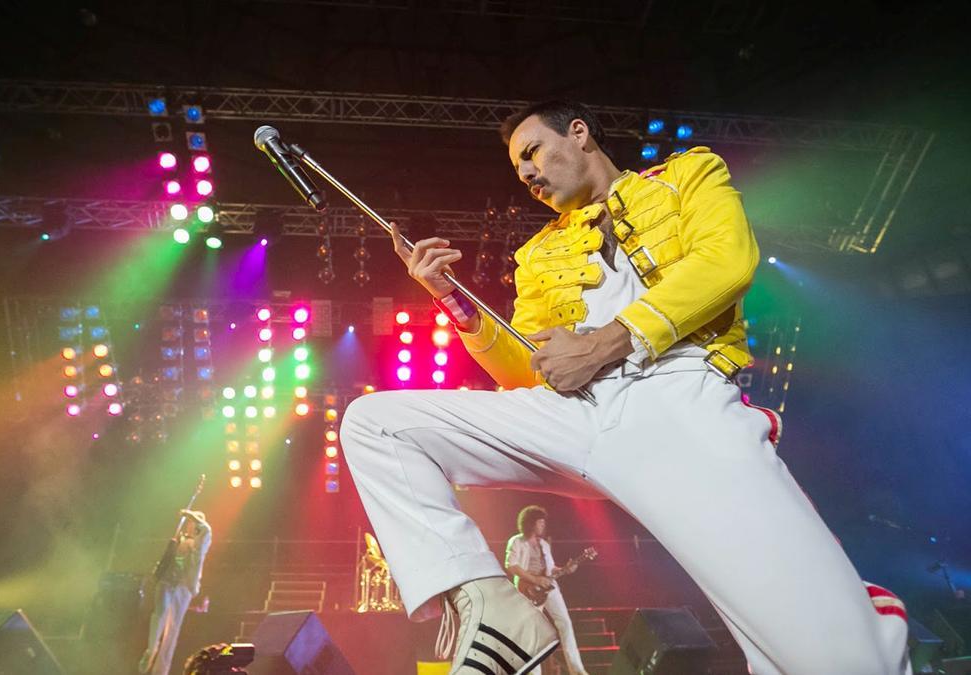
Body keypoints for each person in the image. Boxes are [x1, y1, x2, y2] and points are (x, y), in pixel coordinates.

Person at [339, 99, 911, 674]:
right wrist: (453, 299)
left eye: (532, 152)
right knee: (378, 425)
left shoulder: (689, 175)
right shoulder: (535, 255)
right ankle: (491, 609)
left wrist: (608, 340)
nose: (528, 174)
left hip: (682, 400)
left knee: (838, 658)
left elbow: (728, 262)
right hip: (575, 415)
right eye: (519, 170)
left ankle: (859, 631)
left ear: (580, 132)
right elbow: (530, 373)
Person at [504, 506, 588, 675]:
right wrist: (535, 580)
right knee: (534, 633)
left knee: (565, 623)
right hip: (528, 591)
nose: (543, 525)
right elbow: (511, 565)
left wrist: (567, 568)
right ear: (530, 523)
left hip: (550, 589)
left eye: (543, 522)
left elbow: (551, 570)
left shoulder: (544, 544)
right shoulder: (517, 541)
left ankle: (577, 670)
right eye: (539, 522)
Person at [140, 509, 212, 675]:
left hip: (183, 587)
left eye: (193, 523)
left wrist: (188, 514)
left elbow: (206, 528)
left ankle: (161, 670)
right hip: (167, 582)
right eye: (190, 523)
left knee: (172, 629)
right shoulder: (178, 539)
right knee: (159, 614)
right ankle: (151, 650)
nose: (190, 525)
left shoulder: (202, 542)